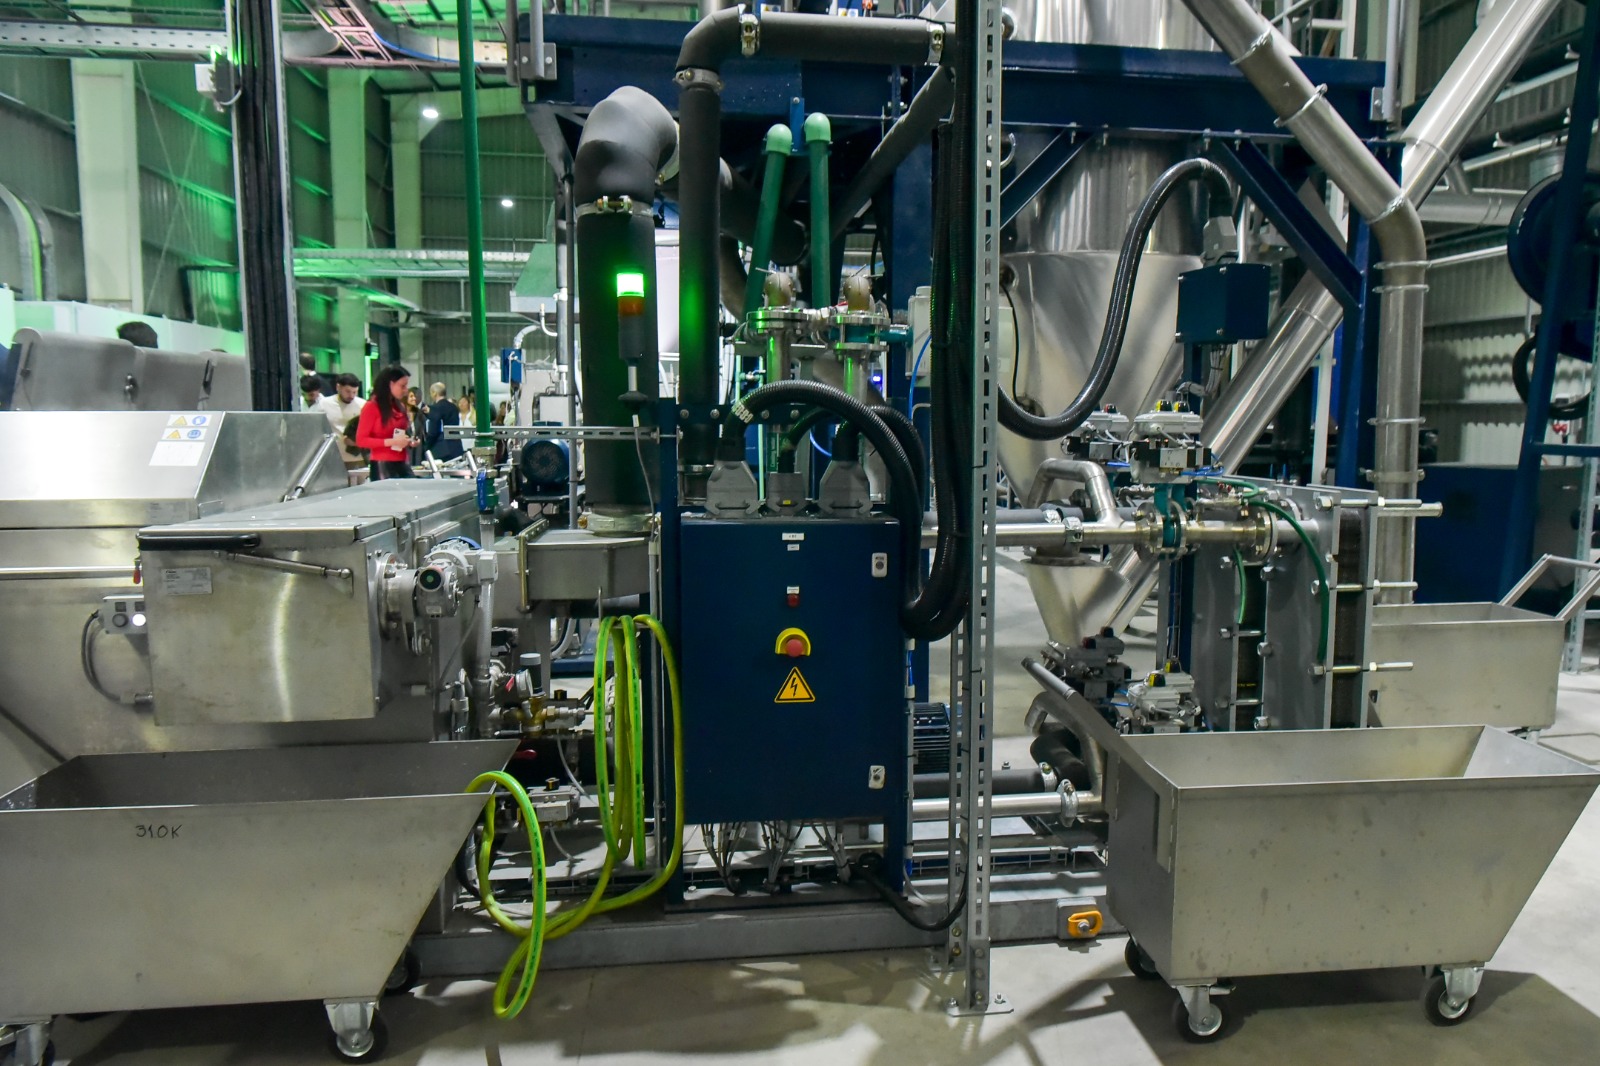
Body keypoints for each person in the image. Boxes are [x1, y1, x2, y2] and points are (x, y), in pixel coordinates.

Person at [355, 364, 417, 480]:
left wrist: (408, 441)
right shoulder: (372, 407)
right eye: (402, 386)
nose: (405, 390)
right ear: (390, 384)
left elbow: (400, 432)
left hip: (402, 460)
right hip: (382, 463)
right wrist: (391, 442)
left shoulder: (399, 406)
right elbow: (361, 440)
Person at [423, 382, 465, 461]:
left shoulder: (435, 408)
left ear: (434, 393)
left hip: (441, 449)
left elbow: (433, 431)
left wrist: (426, 446)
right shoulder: (454, 407)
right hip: (456, 447)